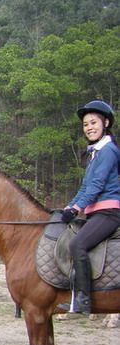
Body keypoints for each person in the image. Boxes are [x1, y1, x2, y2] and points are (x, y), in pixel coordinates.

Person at [58, 100, 120, 314]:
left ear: (106, 123)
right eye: (85, 124)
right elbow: (85, 187)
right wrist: (68, 207)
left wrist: (76, 208)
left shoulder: (108, 150)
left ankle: (83, 301)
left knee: (77, 245)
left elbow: (97, 185)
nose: (89, 127)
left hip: (109, 212)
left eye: (93, 122)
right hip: (95, 213)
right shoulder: (94, 154)